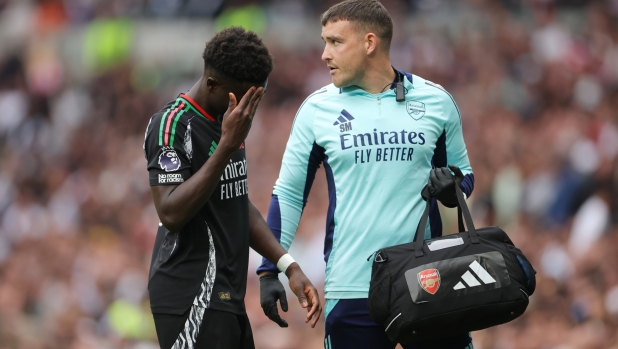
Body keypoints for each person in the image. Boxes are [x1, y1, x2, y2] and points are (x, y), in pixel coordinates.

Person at [256, 1, 475, 348]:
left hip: (428, 279)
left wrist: (451, 186)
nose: (325, 54)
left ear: (369, 43)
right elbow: (288, 194)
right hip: (352, 286)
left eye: (335, 42)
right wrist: (270, 269)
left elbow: (464, 177)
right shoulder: (316, 110)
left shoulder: (436, 101)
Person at [143, 27, 322, 349]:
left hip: (226, 293)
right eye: (244, 97)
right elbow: (170, 212)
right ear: (213, 84)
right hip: (190, 293)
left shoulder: (227, 119)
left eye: (257, 97)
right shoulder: (172, 125)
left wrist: (285, 266)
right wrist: (225, 145)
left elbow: (236, 203)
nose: (249, 108)